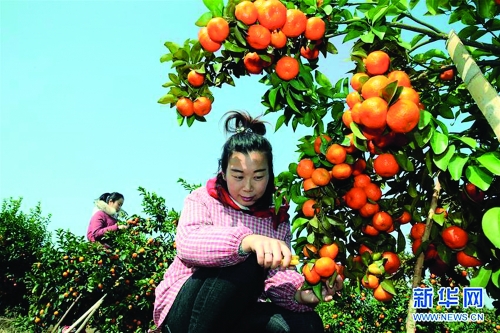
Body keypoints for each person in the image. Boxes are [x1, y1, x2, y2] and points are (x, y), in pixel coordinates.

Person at [151, 111, 343, 333]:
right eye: (238, 176)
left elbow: (277, 275)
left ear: (270, 175)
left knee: (304, 325)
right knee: (246, 259)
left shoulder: (276, 218)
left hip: (238, 312)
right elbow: (188, 244)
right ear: (223, 172)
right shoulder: (202, 198)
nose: (248, 187)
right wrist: (246, 241)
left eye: (258, 177)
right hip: (183, 310)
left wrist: (299, 293)